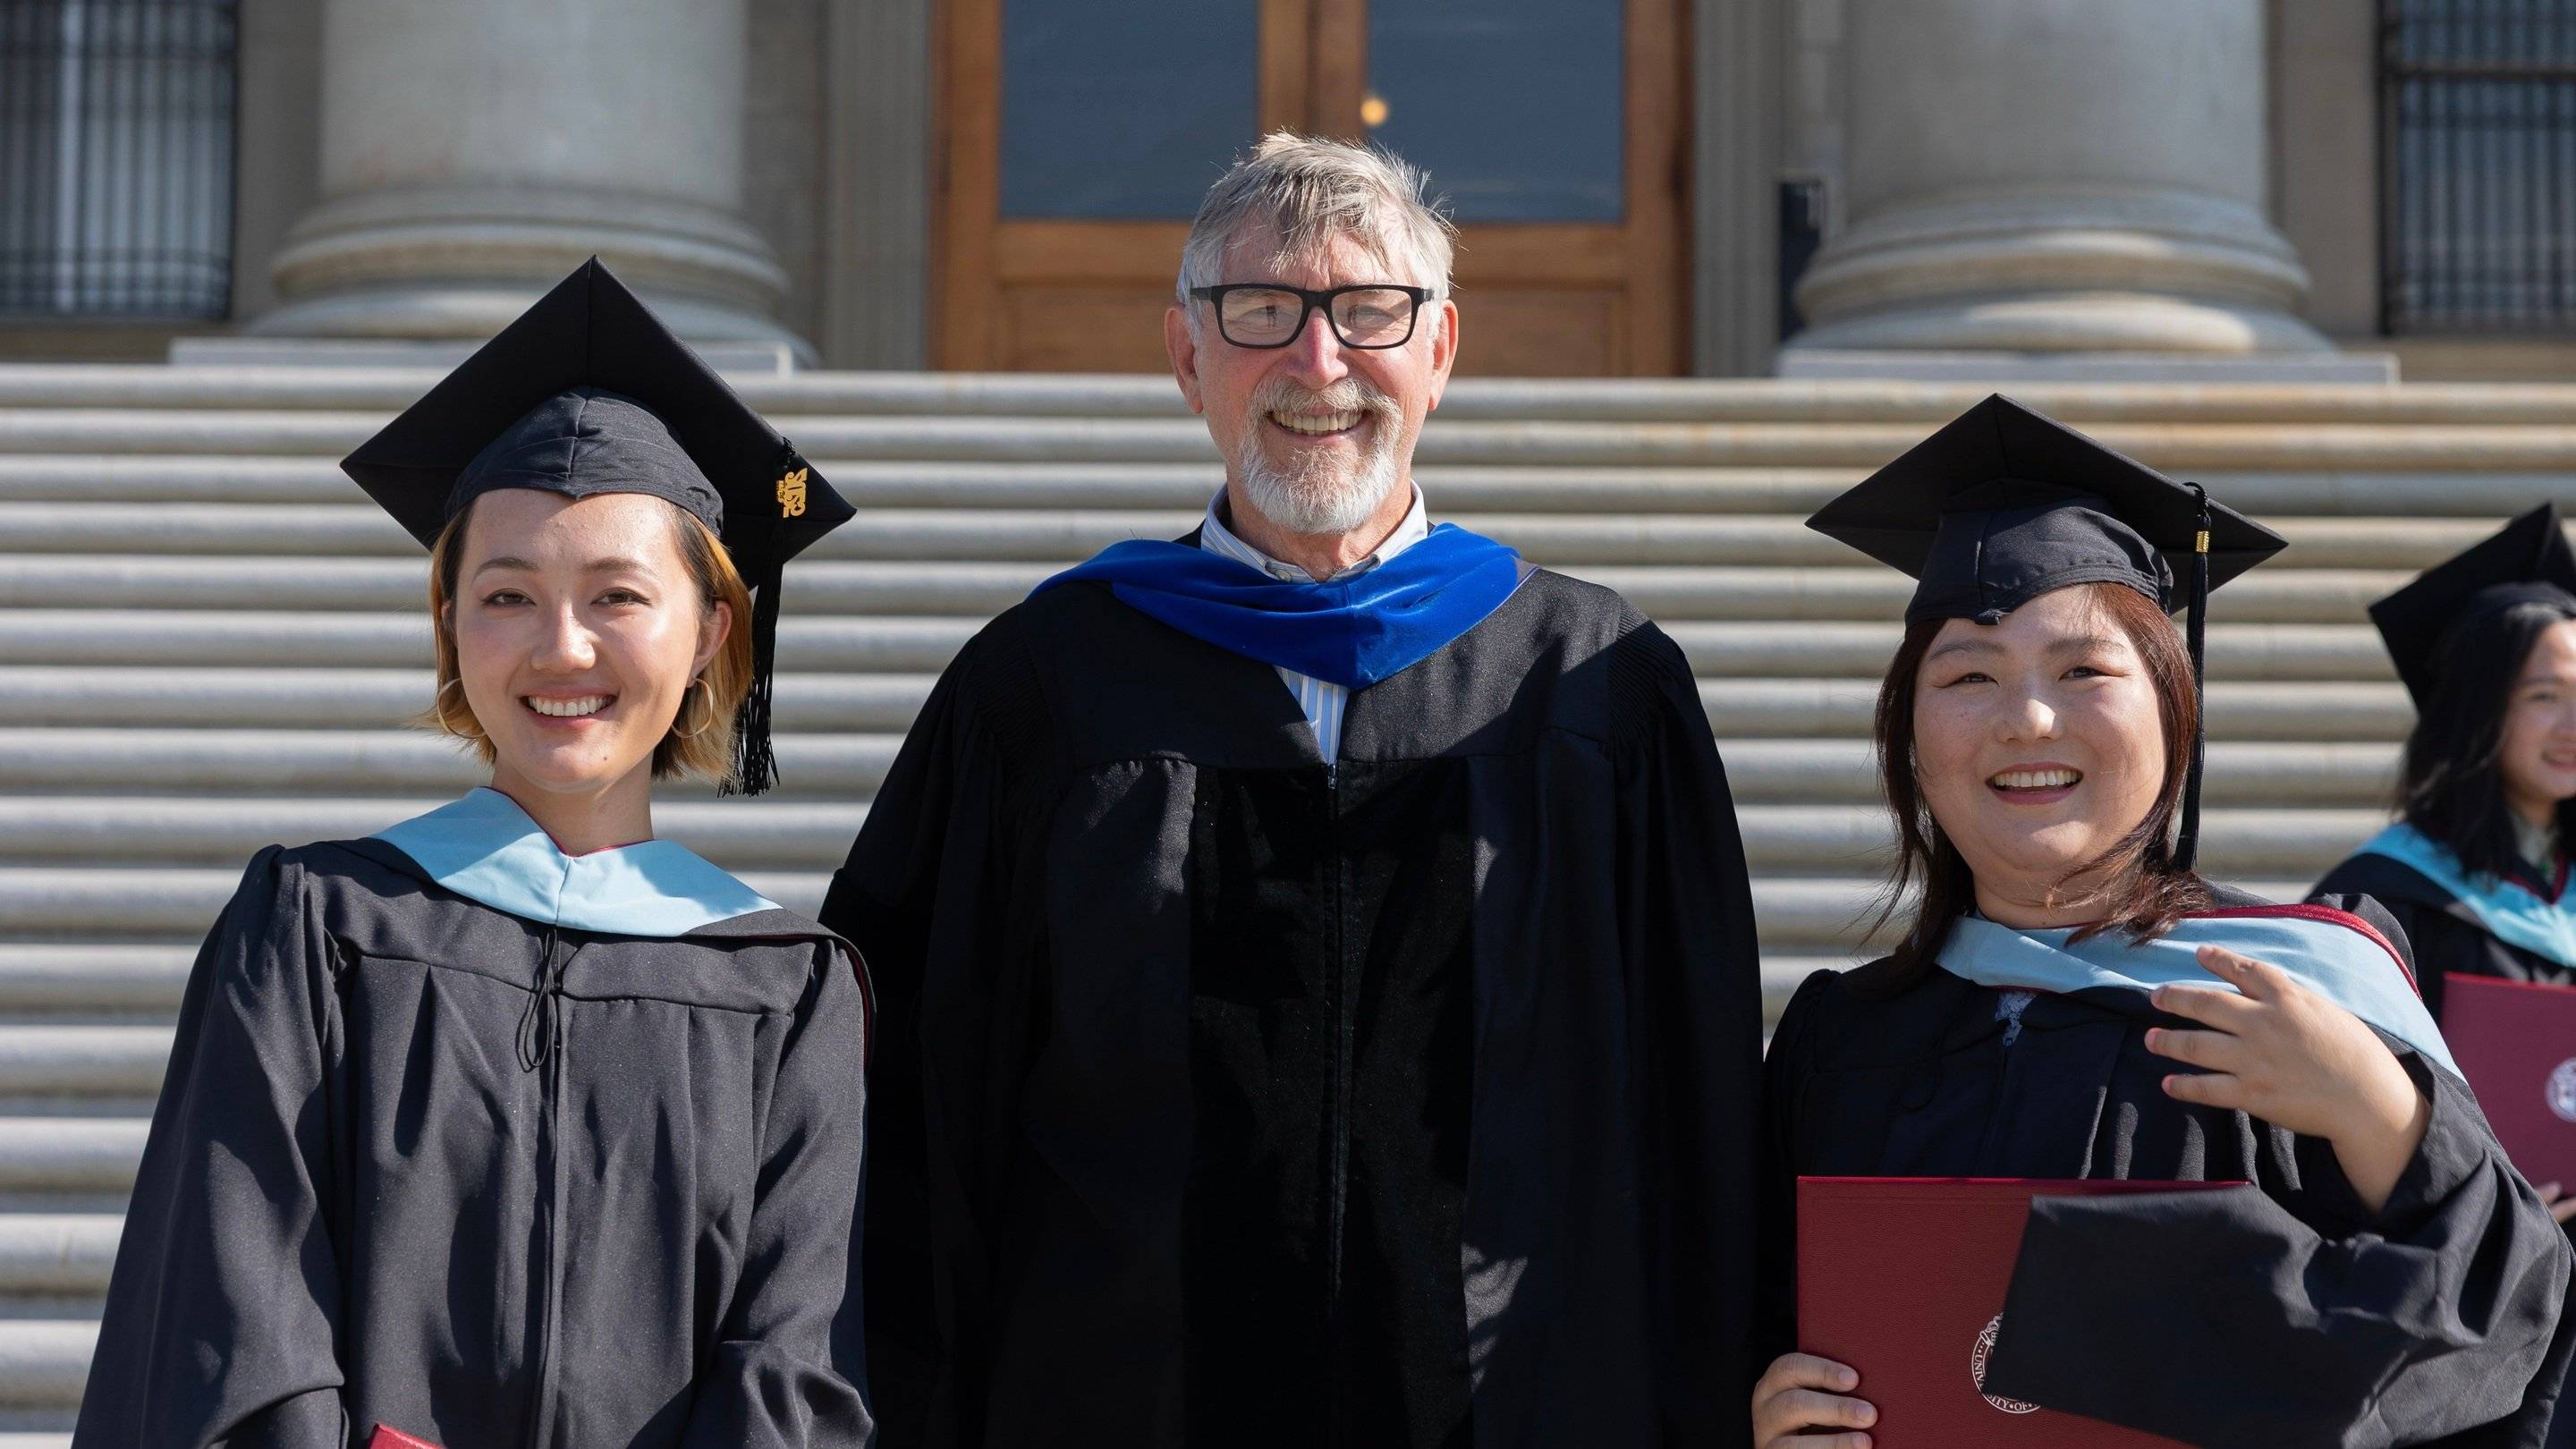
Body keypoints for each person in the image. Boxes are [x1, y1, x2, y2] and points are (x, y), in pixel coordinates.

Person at [821, 132, 1766, 1448]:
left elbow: (1698, 1099)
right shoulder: (1040, 689)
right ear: (1186, 356)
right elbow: (916, 1102)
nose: (1318, 363)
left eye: (1368, 312)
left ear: (1439, 351)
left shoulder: (1594, 687)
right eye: (1261, 312)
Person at [72, 260, 874, 1447]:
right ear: (448, 617)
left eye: (616, 596)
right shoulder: (317, 933)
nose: (561, 648)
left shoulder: (784, 992)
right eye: (505, 595)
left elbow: (794, 1369)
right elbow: (234, 1316)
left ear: (708, 632)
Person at [1753, 395, 2572, 1449]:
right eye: (1966, 677)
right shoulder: (1841, 1042)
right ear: (1909, 740)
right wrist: (1768, 1412)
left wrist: (2381, 1112)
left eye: (2086, 670)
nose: (2026, 719)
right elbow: (1743, 1319)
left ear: (2173, 712)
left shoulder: (2288, 995)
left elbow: (2507, 1321)